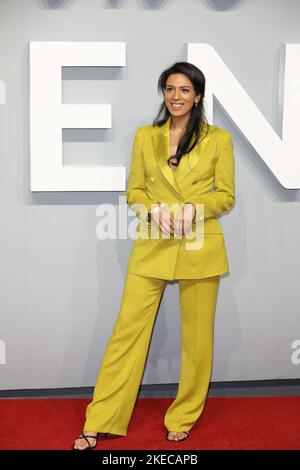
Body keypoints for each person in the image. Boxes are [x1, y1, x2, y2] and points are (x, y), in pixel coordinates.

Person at [72, 61, 235, 450]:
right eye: (169, 89)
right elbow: (134, 191)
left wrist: (196, 207)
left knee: (197, 342)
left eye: (184, 90)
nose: (176, 97)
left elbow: (226, 195)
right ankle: (101, 418)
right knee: (127, 333)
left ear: (197, 96)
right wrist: (153, 211)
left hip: (200, 244)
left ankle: (183, 416)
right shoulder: (146, 136)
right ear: (163, 93)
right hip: (153, 242)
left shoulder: (219, 139)